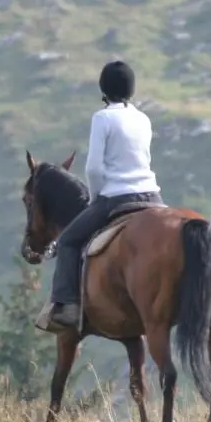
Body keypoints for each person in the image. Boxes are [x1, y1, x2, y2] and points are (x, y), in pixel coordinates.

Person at [39, 60, 163, 334]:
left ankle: (68, 306)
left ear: (104, 89)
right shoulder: (143, 119)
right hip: (153, 198)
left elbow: (94, 168)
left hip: (116, 197)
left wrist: (96, 198)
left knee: (68, 241)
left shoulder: (102, 118)